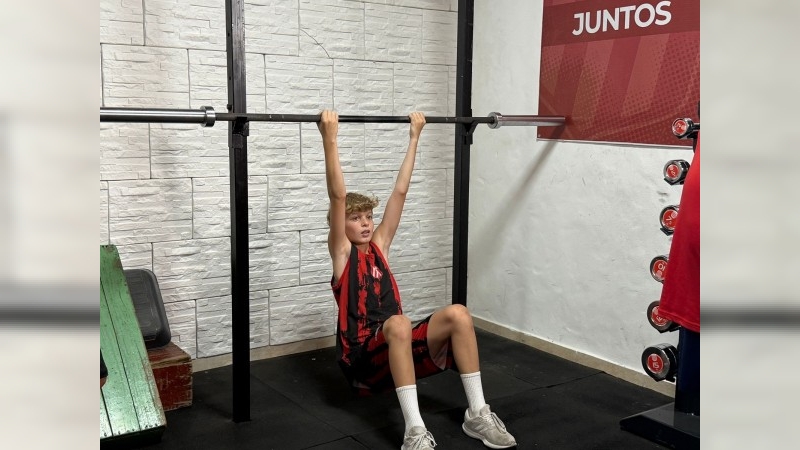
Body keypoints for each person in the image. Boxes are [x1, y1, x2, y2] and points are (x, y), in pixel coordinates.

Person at [319, 110, 517, 449]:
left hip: (395, 347)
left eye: (368, 216)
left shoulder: (379, 247)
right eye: (355, 218)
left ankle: (477, 413)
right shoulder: (342, 254)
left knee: (458, 314)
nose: (365, 223)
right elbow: (338, 196)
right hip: (362, 362)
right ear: (341, 225)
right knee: (399, 323)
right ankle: (414, 431)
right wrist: (330, 138)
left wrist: (414, 137)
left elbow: (399, 193)